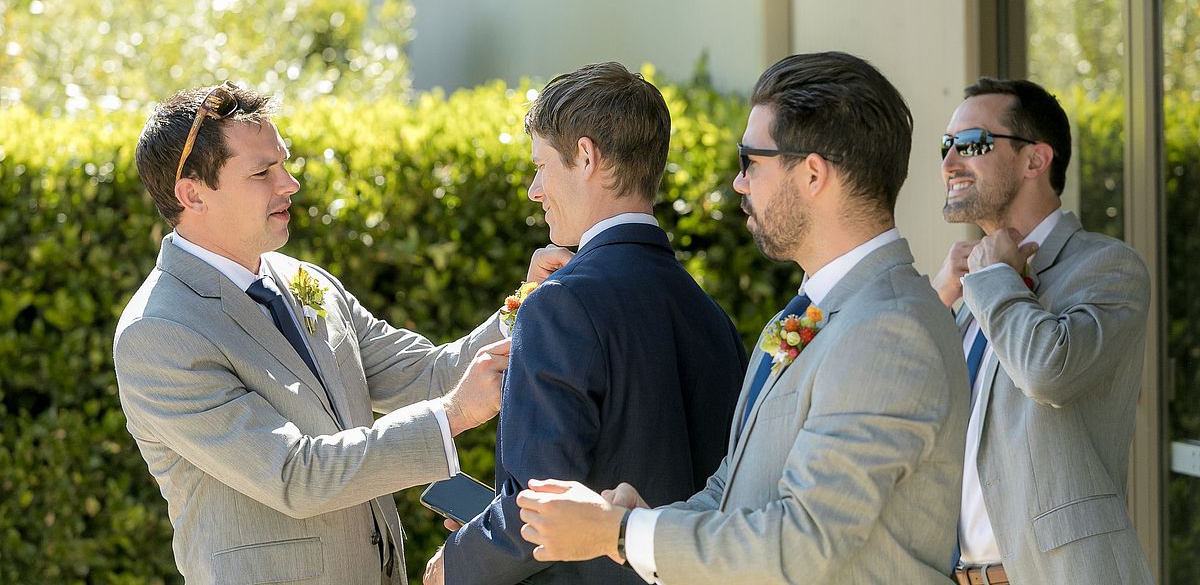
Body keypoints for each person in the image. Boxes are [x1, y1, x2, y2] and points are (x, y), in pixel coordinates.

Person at [516, 51, 969, 584]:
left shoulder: (890, 330)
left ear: (813, 174)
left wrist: (617, 534)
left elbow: (803, 540)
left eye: (751, 160)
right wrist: (636, 523)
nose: (739, 183)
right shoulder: (817, 314)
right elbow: (732, 491)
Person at [114, 82, 531, 584]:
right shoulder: (158, 332)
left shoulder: (302, 280)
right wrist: (455, 415)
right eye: (262, 172)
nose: (289, 184)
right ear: (192, 194)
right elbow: (294, 475)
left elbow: (426, 374)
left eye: (284, 163)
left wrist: (524, 306)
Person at [426, 62, 748, 585]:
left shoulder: (559, 304)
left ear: (585, 156)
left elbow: (542, 504)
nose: (534, 189)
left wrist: (458, 562)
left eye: (541, 166)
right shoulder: (710, 316)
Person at [933, 78, 1153, 584]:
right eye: (947, 146)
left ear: (1036, 160)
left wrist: (995, 280)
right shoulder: (965, 288)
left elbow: (1047, 372)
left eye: (971, 144)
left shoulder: (1108, 267)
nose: (949, 163)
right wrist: (938, 301)